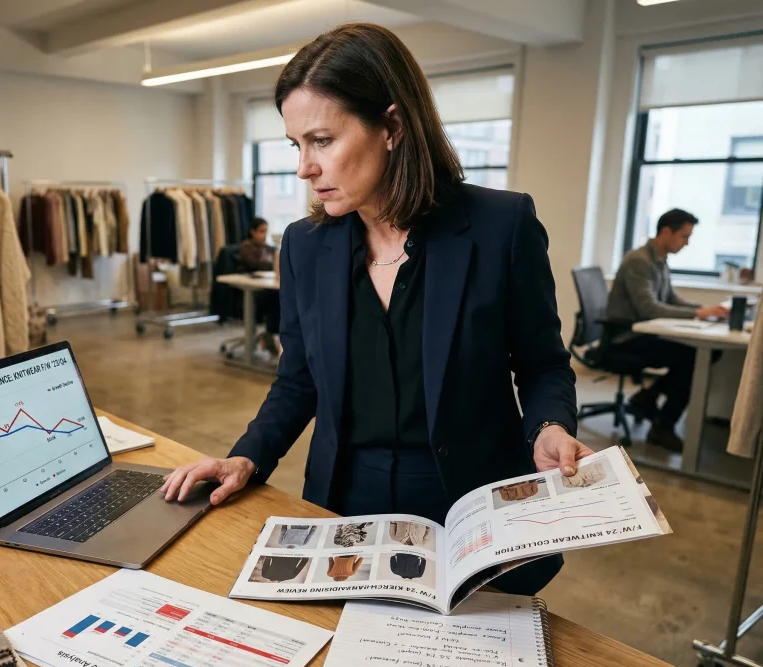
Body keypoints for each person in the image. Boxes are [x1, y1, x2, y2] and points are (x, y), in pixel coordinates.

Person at [161, 22, 591, 596]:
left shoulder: (501, 226)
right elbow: (298, 380)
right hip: (345, 507)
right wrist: (246, 458)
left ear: (391, 126)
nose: (304, 169)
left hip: (470, 506)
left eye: (322, 141)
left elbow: (542, 363)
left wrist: (549, 425)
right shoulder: (306, 246)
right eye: (296, 146)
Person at [606, 208, 728, 452]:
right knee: (694, 357)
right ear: (665, 232)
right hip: (626, 337)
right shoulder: (638, 261)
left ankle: (648, 396)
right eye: (684, 236)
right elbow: (649, 309)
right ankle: (662, 426)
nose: (687, 243)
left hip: (646, 333)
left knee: (708, 353)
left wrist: (704, 309)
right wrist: (697, 314)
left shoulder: (659, 260)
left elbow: (670, 298)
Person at [238, 217, 281, 357]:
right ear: (252, 232)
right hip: (248, 289)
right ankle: (271, 333)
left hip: (265, 286)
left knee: (278, 295)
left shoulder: (268, 248)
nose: (264, 235)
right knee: (274, 298)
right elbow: (255, 264)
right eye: (261, 231)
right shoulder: (246, 247)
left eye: (266, 231)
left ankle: (273, 333)